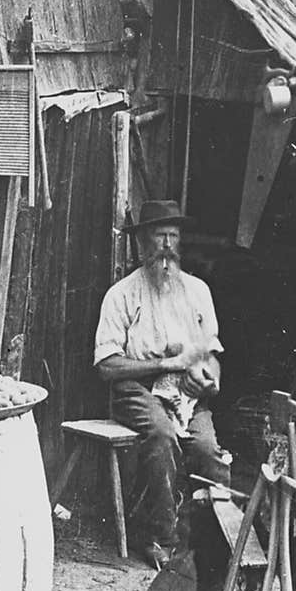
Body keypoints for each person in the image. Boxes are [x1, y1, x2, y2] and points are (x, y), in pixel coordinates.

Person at [93, 200, 231, 569]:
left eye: (173, 236)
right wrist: (163, 363)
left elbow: (211, 352)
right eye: (159, 237)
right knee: (162, 435)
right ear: (141, 244)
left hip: (186, 391)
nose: (167, 246)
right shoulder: (122, 295)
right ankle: (161, 537)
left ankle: (214, 542)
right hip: (134, 389)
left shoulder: (198, 290)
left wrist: (209, 378)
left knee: (207, 449)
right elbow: (107, 366)